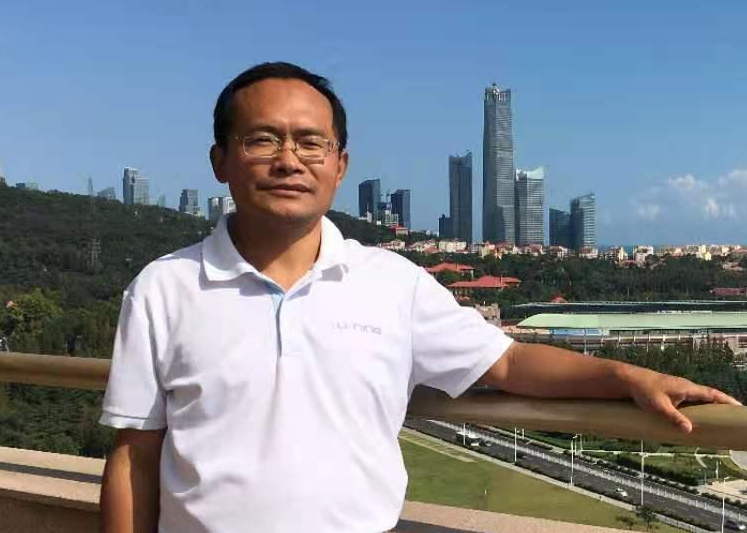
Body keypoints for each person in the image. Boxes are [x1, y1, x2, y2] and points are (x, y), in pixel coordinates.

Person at [99, 62, 740, 533]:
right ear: (220, 160)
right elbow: (134, 458)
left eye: (311, 142)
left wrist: (626, 377)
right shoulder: (164, 289)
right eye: (262, 139)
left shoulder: (390, 282)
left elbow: (508, 362)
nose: (290, 159)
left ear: (340, 165)